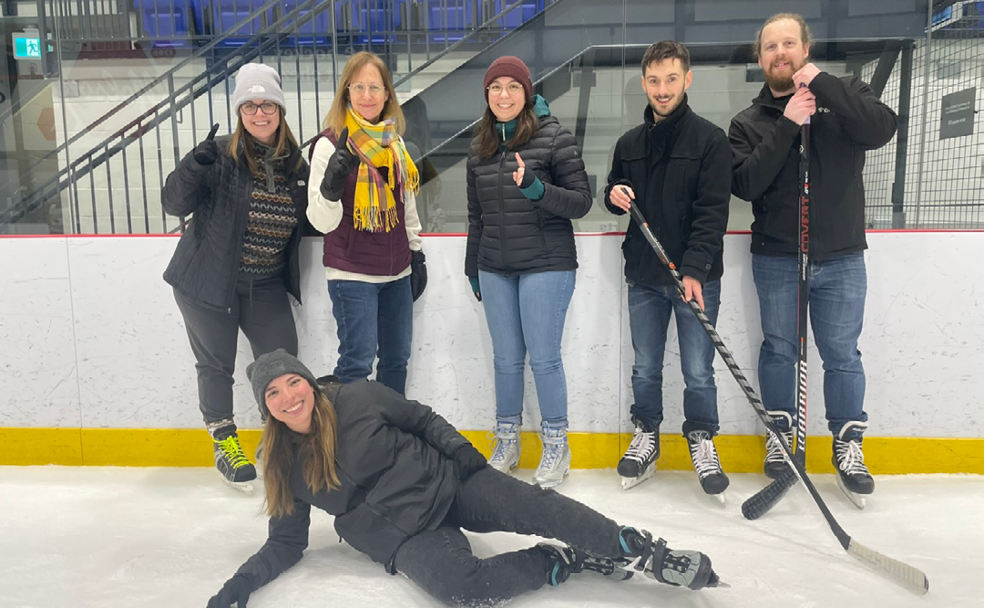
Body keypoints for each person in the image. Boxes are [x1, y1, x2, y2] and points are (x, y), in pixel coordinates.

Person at [205, 349, 723, 608]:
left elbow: (422, 419)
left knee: (539, 506)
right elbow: (286, 542)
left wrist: (465, 455)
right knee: (461, 589)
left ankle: (643, 550)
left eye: (294, 382)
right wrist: (240, 585)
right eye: (274, 394)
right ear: (265, 409)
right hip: (407, 537)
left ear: (309, 383)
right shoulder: (280, 466)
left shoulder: (357, 397)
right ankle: (560, 562)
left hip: (447, 483)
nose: (289, 396)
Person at [729, 13, 897, 497]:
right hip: (778, 257)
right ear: (760, 58)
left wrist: (822, 86)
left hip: (842, 255)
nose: (779, 53)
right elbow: (745, 184)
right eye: (769, 47)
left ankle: (847, 441)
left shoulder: (846, 94)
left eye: (788, 44)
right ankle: (781, 439)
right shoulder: (747, 122)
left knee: (842, 354)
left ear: (805, 48)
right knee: (779, 349)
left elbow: (881, 128)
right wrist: (787, 123)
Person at [162, 63, 313, 492]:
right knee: (216, 364)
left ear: (280, 110)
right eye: (249, 105)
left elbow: (312, 220)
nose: (259, 113)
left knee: (282, 363)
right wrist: (194, 165)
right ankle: (225, 443)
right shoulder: (219, 155)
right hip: (208, 280)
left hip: (264, 283)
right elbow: (173, 203)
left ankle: (280, 441)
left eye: (267, 104)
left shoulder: (297, 164)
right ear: (239, 110)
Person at [604, 41, 732, 496]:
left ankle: (701, 436)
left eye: (671, 79)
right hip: (644, 275)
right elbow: (614, 193)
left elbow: (713, 213)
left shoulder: (710, 141)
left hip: (694, 279)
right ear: (644, 83)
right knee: (645, 366)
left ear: (687, 79)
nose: (662, 89)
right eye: (654, 81)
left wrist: (695, 269)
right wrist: (615, 193)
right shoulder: (629, 144)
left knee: (699, 368)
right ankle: (647, 435)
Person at [464, 56, 592, 488]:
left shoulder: (554, 137)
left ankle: (556, 443)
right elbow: (475, 216)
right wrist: (473, 267)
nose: (504, 95)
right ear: (487, 95)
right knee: (505, 361)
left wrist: (537, 189)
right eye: (495, 87)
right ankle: (508, 440)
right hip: (496, 267)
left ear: (527, 92)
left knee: (543, 358)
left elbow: (581, 202)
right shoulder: (479, 146)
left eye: (512, 87)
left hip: (545, 264)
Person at [307, 51, 426, 396]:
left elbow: (407, 203)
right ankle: (354, 443)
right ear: (346, 92)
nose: (367, 95)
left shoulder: (395, 144)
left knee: (396, 361)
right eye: (358, 86)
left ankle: (391, 440)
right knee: (357, 362)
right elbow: (320, 221)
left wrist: (415, 252)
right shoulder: (330, 145)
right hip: (352, 274)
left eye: (375, 87)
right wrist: (332, 185)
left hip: (397, 274)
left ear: (388, 94)